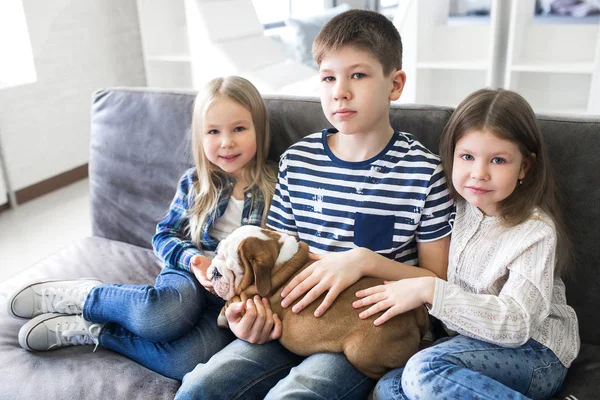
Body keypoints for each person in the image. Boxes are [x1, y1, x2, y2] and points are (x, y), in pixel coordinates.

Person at [175, 9, 454, 399]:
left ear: (395, 84)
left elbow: (438, 286)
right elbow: (272, 259)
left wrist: (363, 261)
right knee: (198, 389)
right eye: (328, 77)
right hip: (285, 321)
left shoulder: (424, 172)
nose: (340, 90)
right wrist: (247, 319)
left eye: (358, 75)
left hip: (357, 331)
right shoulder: (297, 160)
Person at [7, 76, 278, 380]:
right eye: (213, 131)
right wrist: (193, 260)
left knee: (187, 361)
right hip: (188, 271)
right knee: (164, 316)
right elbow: (163, 236)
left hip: (230, 296)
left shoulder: (277, 186)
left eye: (239, 129)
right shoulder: (197, 183)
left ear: (260, 129)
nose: (226, 142)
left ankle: (96, 331)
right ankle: (86, 296)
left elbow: (275, 256)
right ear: (200, 139)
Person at [356, 88, 580, 400]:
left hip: (537, 352)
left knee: (424, 372)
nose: (479, 173)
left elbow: (517, 324)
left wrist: (428, 289)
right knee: (389, 388)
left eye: (498, 160)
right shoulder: (452, 206)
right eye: (467, 157)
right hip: (468, 345)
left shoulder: (535, 231)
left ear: (524, 168)